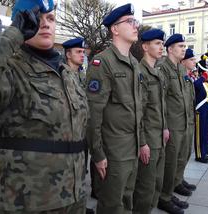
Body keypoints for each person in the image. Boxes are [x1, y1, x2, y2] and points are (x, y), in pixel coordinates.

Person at [0, 0, 89, 213]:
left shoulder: (67, 73)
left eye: (50, 18)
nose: (45, 24)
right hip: (29, 202)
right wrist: (11, 37)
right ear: (20, 23)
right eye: (36, 18)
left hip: (74, 198)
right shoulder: (11, 70)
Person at [85, 3, 142, 214]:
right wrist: (98, 154)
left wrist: (141, 142)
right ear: (115, 29)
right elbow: (93, 113)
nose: (135, 26)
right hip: (114, 152)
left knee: (127, 201)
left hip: (132, 147)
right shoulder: (103, 62)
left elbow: (137, 108)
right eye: (129, 22)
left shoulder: (134, 63)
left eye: (135, 21)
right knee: (112, 205)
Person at [132, 29, 168, 214]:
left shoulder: (157, 72)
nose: (161, 47)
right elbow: (139, 112)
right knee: (145, 188)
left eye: (162, 44)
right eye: (157, 43)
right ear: (145, 47)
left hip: (159, 137)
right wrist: (143, 142)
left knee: (157, 183)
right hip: (148, 140)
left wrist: (166, 127)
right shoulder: (140, 73)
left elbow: (159, 106)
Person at [156, 34, 189, 214]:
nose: (184, 49)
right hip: (171, 124)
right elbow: (160, 101)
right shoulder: (163, 68)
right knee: (169, 164)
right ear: (170, 49)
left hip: (182, 122)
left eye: (185, 46)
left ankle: (170, 191)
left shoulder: (180, 69)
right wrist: (164, 126)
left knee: (177, 161)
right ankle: (164, 198)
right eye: (180, 46)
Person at [62, 37, 95, 214]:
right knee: (70, 174)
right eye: (78, 52)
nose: (82, 55)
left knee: (81, 171)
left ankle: (79, 206)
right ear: (68, 54)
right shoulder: (62, 75)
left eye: (83, 52)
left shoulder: (81, 75)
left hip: (83, 133)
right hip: (70, 135)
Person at [175, 48, 197, 196]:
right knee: (177, 156)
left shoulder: (186, 76)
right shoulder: (179, 75)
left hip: (188, 120)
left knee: (185, 154)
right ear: (183, 62)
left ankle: (179, 178)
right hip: (177, 123)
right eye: (192, 60)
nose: (194, 62)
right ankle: (174, 183)